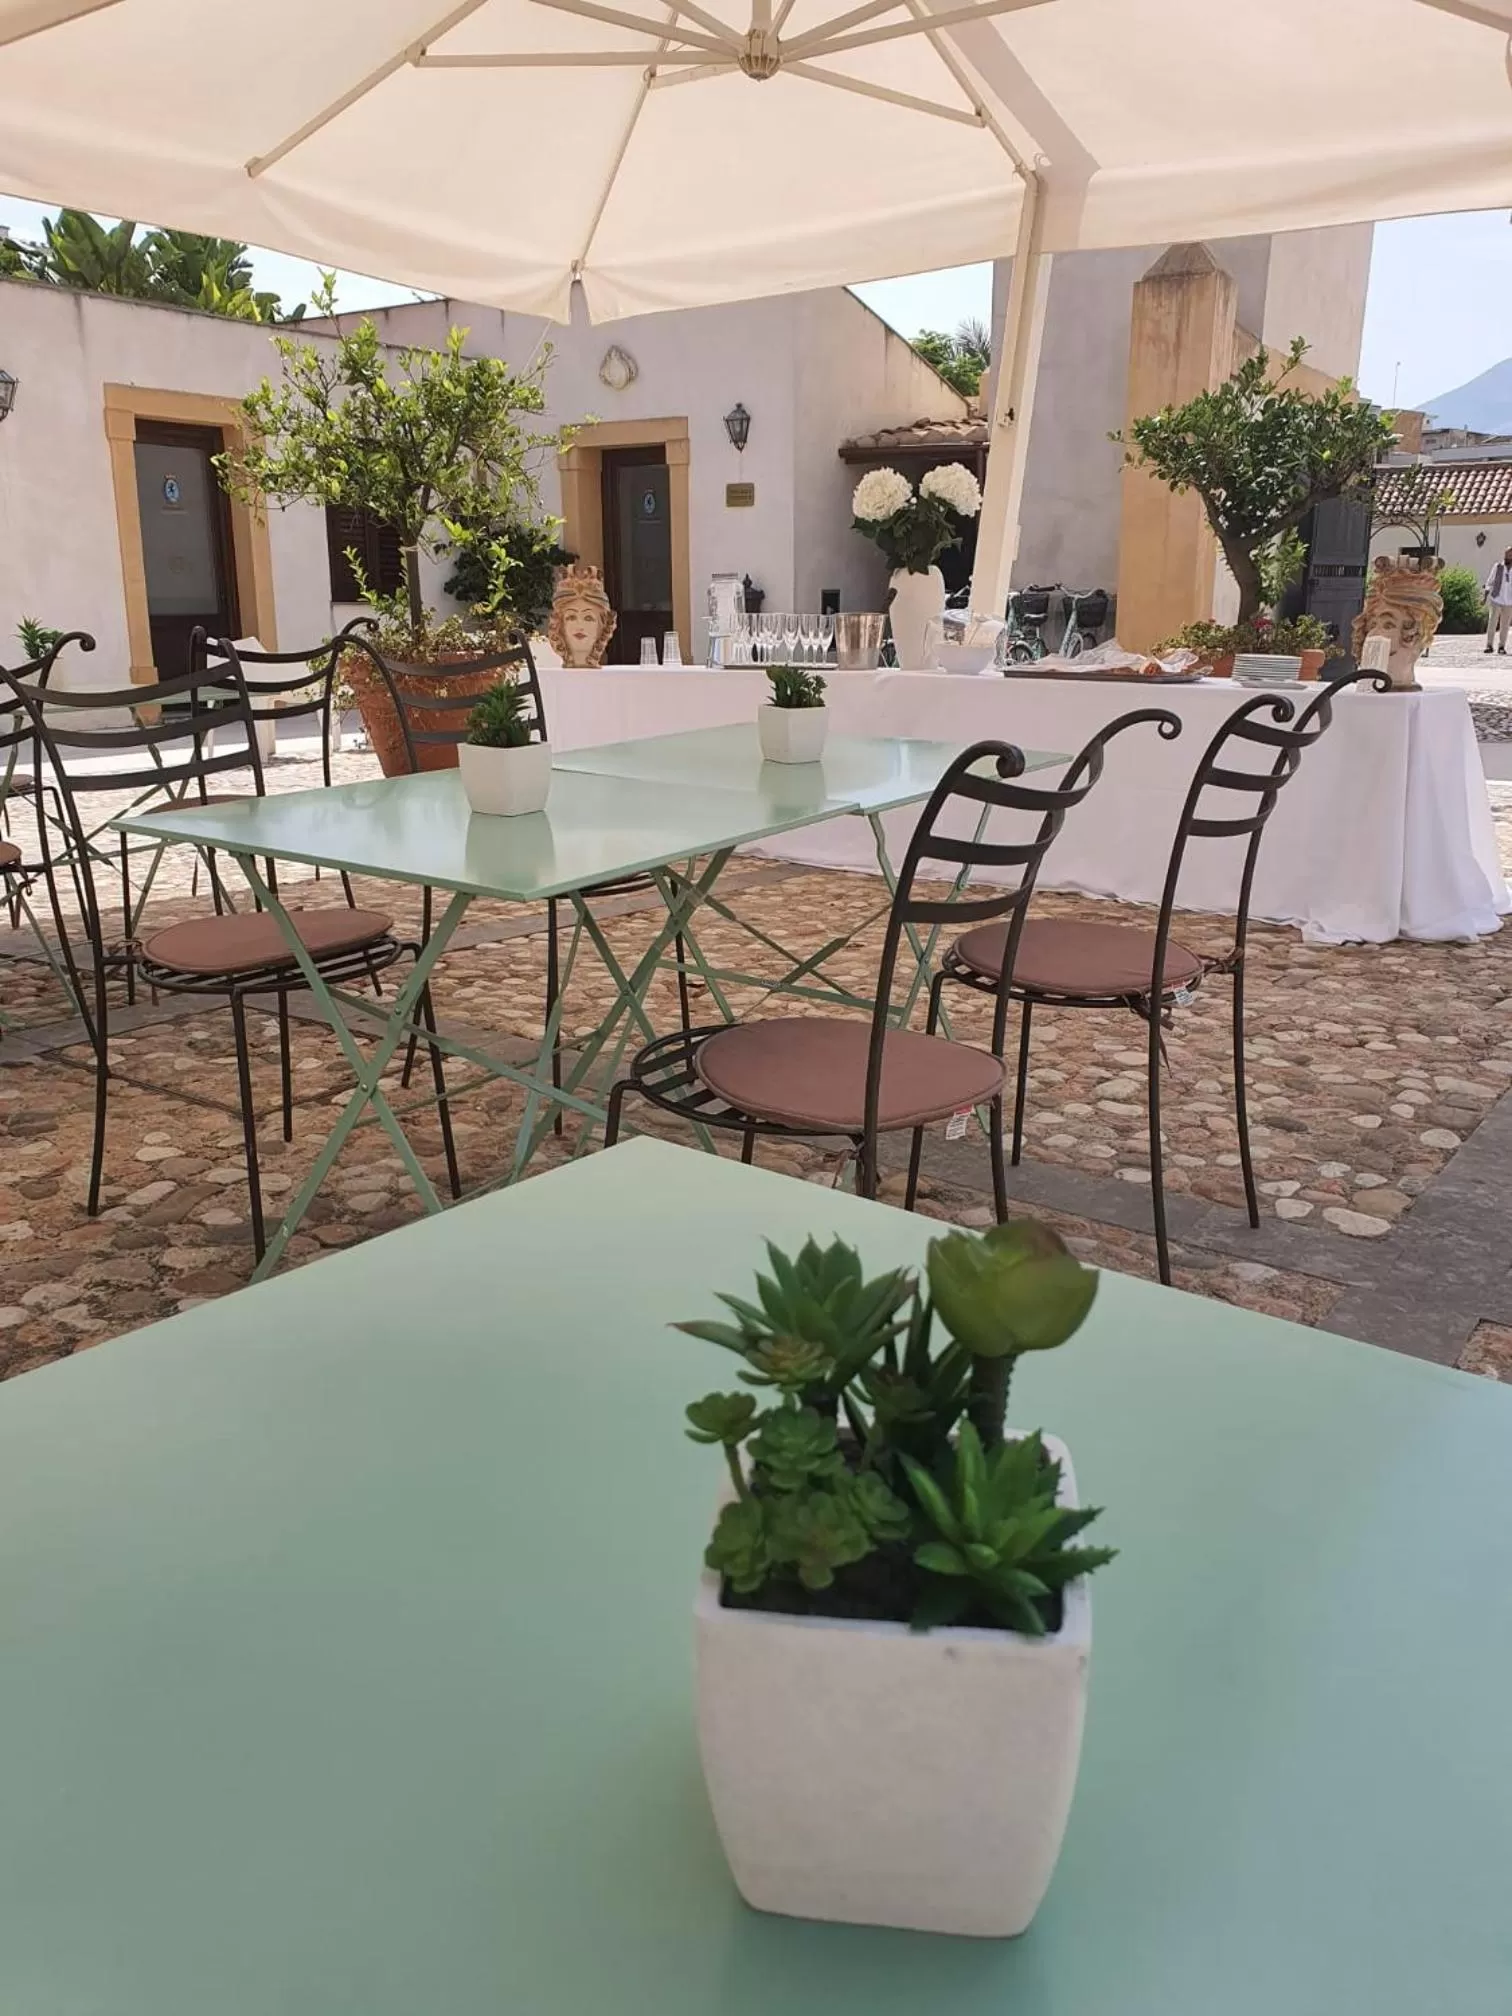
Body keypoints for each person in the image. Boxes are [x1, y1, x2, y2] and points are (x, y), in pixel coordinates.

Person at [1484, 545, 1512, 653]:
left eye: (1510, 555)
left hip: (1509, 601)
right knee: (1492, 622)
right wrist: (1485, 597)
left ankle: (1501, 646)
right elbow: (1489, 582)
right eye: (1506, 554)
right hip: (1496, 599)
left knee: (1505, 625)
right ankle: (1489, 645)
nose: (1507, 557)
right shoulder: (1498, 567)